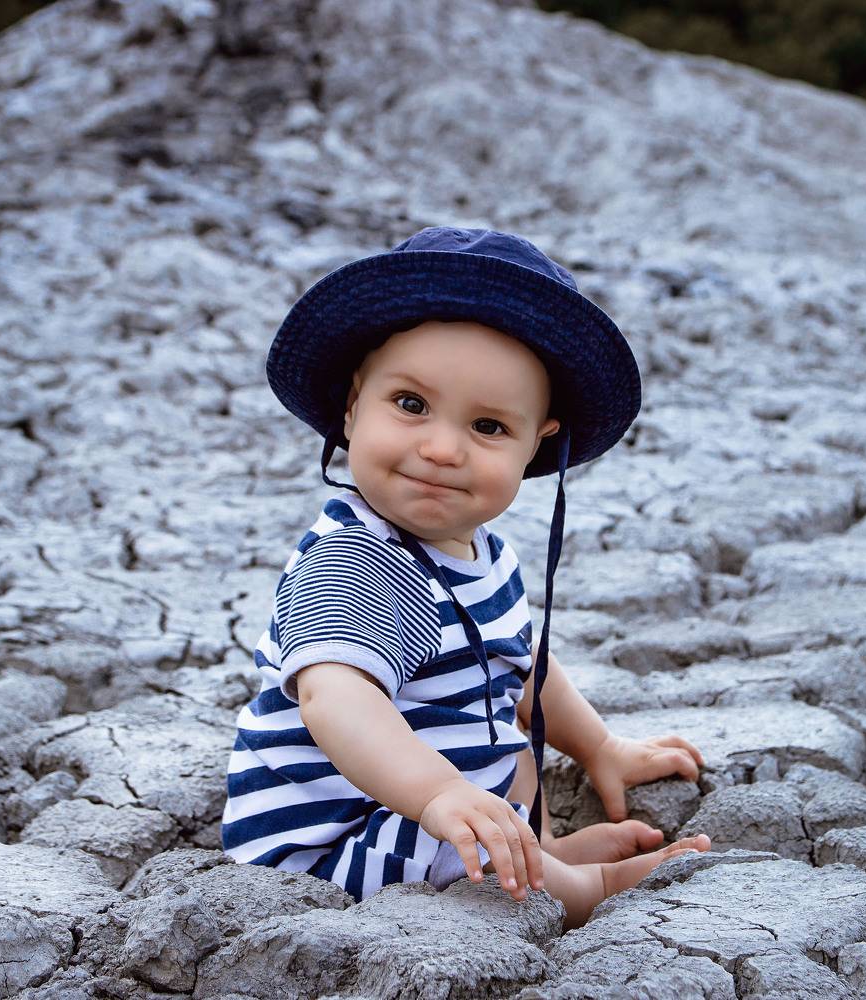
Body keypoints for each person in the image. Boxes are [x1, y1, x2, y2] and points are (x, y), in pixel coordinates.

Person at [220, 226, 710, 929]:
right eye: (411, 404)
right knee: (461, 819)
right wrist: (437, 795)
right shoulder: (355, 561)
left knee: (511, 745)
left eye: (488, 426)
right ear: (352, 405)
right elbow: (337, 698)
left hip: (408, 817)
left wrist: (600, 746)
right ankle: (583, 887)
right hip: (328, 847)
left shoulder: (486, 551)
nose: (443, 448)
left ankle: (541, 852)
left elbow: (525, 668)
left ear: (537, 443)